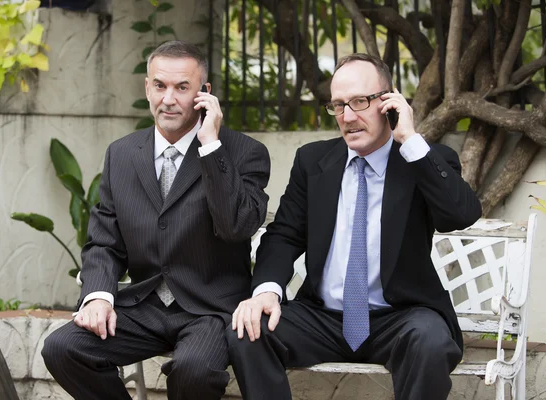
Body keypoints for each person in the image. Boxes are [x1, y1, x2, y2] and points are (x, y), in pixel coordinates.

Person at [227, 53, 482, 400]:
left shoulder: (419, 160)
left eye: (360, 102)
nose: (347, 117)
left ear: (389, 102)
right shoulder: (313, 161)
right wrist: (267, 292)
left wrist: (410, 139)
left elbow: (461, 214)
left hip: (400, 318)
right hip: (321, 318)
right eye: (338, 106)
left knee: (431, 341)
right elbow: (284, 234)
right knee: (248, 330)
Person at [42, 40, 270, 400]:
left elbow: (236, 226)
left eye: (183, 88)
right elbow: (104, 240)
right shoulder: (121, 154)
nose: (169, 99)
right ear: (147, 87)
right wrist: (98, 297)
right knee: (62, 347)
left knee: (194, 371)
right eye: (160, 86)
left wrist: (211, 147)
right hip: (144, 306)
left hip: (210, 311)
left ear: (204, 93)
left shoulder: (244, 152)